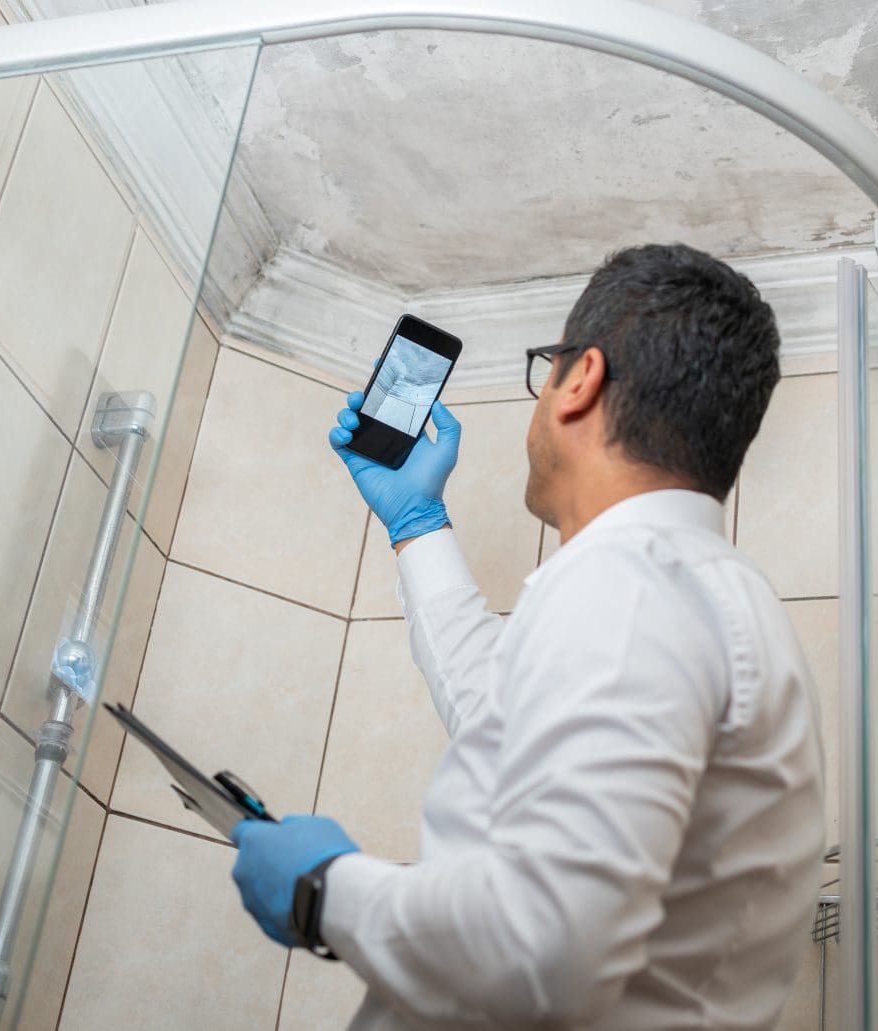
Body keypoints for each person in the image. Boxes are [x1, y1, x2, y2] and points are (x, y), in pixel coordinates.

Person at [230, 243, 825, 1029]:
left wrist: (325, 891)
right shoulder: (694, 591)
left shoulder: (635, 586)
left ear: (579, 380)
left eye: (546, 370)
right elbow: (500, 721)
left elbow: (544, 946)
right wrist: (419, 525)